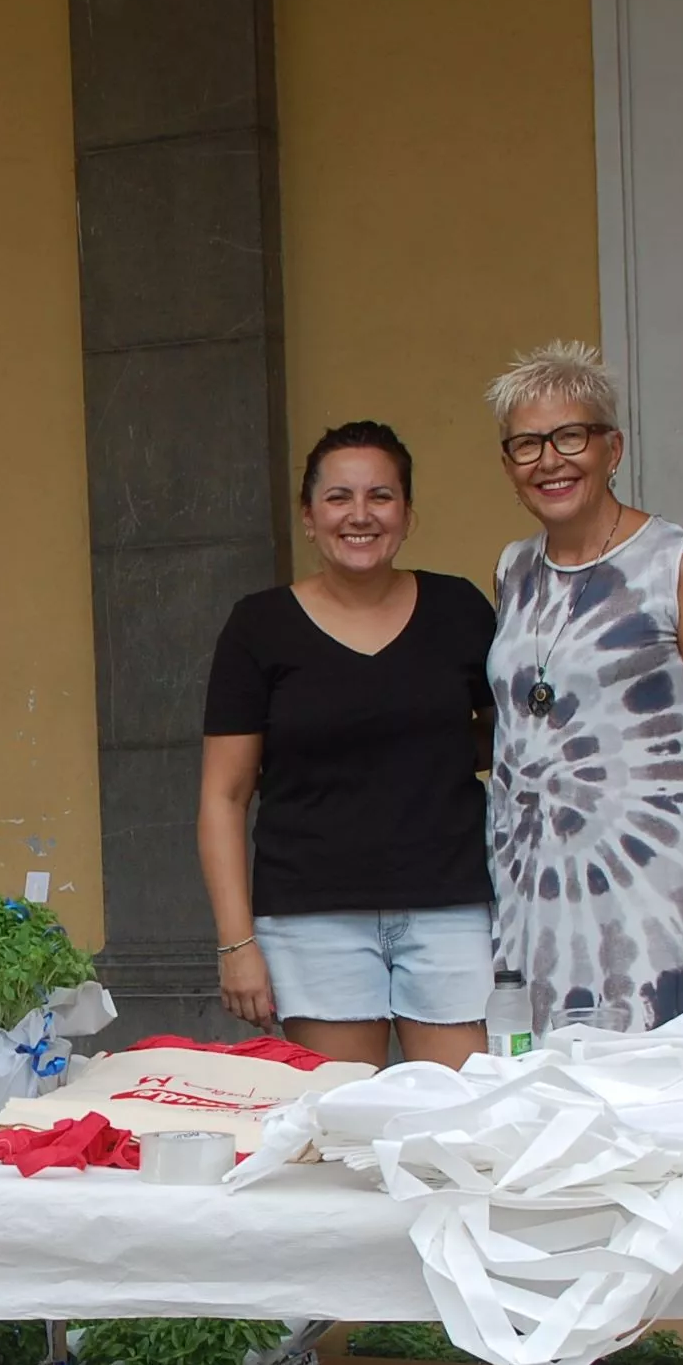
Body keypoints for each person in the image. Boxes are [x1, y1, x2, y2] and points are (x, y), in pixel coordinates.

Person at [482, 342, 683, 1032]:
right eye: (527, 445)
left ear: (611, 449)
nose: (549, 460)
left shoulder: (678, 562)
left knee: (662, 1074)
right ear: (508, 466)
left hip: (655, 872)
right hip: (537, 881)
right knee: (552, 1085)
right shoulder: (512, 568)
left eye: (570, 436)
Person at [199, 420, 498, 1068]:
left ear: (408, 514)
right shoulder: (260, 627)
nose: (359, 515)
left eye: (381, 496)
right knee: (344, 1123)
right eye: (338, 498)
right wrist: (235, 942)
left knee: (461, 1118)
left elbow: (514, 739)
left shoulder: (459, 610)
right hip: (313, 918)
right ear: (308, 516)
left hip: (449, 908)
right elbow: (224, 796)